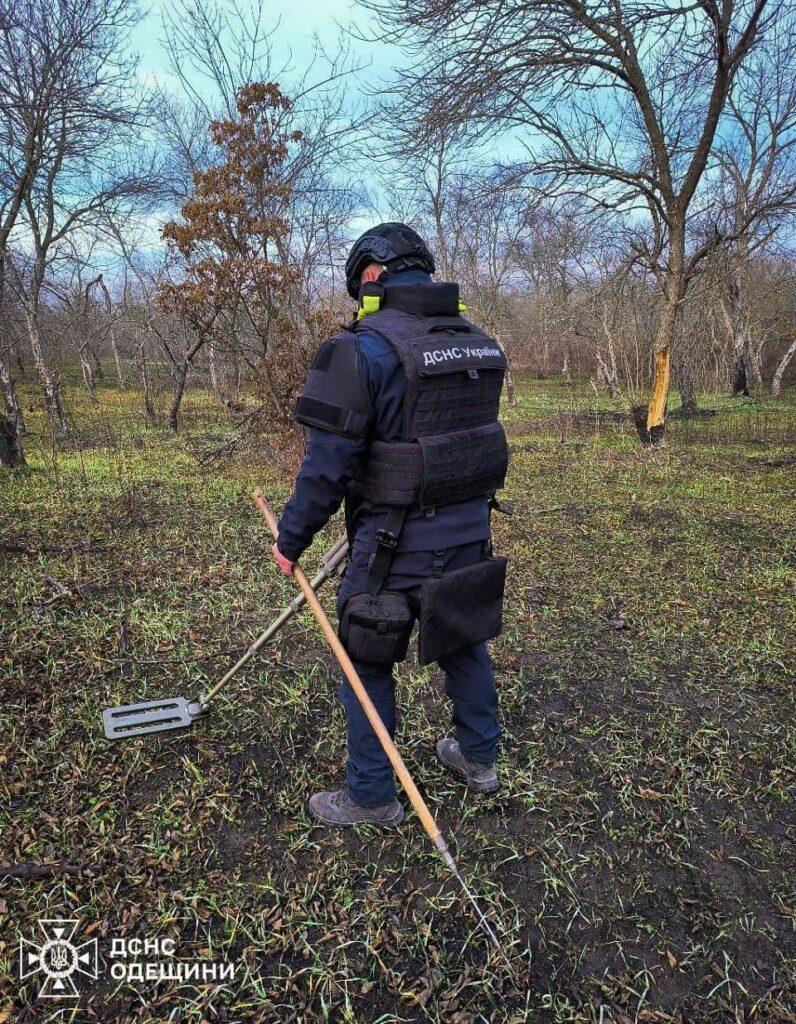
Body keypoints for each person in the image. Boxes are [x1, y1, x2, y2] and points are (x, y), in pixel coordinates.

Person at [272, 222, 509, 827]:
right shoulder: (481, 344)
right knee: (463, 639)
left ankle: (373, 795)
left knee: (366, 658)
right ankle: (479, 758)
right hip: (469, 535)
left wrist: (291, 538)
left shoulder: (360, 348)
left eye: (361, 287)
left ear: (372, 276)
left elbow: (325, 465)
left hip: (390, 547)